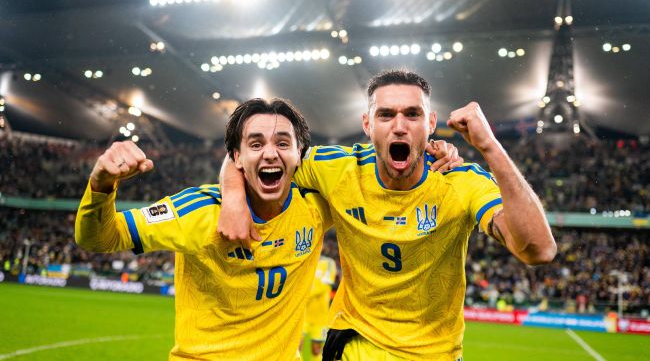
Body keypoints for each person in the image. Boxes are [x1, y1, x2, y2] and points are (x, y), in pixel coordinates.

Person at [218, 70, 557, 360]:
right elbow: (256, 153)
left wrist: (490, 146)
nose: (399, 126)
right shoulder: (338, 168)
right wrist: (233, 198)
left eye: (412, 114)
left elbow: (538, 250)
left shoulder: (461, 182)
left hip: (434, 352)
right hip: (355, 344)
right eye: (385, 115)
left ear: (431, 123)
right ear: (367, 124)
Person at [75, 98, 333, 360]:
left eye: (282, 143)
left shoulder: (315, 207)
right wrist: (100, 185)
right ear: (237, 157)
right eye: (256, 144)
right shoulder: (197, 211)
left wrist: (234, 193)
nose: (270, 153)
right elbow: (99, 239)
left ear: (299, 154)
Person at [302, 254, 338, 361]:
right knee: (297, 345)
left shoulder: (329, 263)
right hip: (303, 315)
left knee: (316, 349)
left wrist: (304, 295)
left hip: (321, 317)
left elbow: (324, 286)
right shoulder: (305, 260)